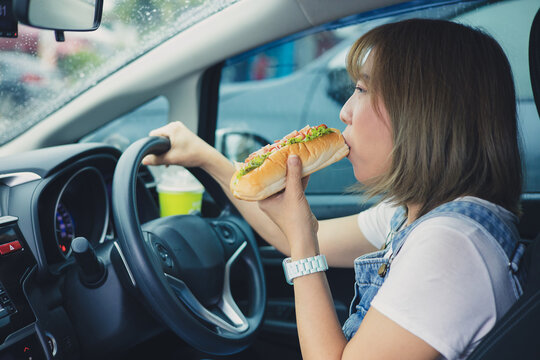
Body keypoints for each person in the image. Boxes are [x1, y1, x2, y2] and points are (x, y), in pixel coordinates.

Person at [143, 18, 524, 360]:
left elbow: (305, 244)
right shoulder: (414, 215)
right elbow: (294, 237)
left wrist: (303, 242)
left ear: (422, 112)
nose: (345, 111)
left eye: (360, 90)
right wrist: (207, 159)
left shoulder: (450, 245)